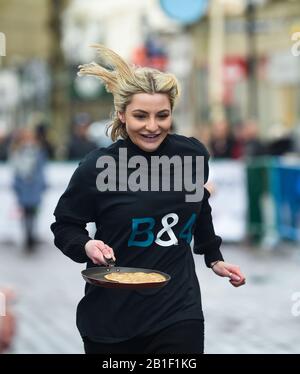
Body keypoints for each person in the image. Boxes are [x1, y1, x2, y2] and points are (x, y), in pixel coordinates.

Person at [51, 44, 246, 354]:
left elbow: (198, 205)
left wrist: (214, 257)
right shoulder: (98, 166)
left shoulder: (192, 155)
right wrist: (86, 245)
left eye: (162, 115)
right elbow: (65, 225)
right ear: (122, 115)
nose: (153, 126)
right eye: (141, 116)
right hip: (111, 320)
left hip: (178, 310)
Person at [10, 128, 47, 252]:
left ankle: (31, 237)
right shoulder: (17, 152)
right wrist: (17, 187)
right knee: (25, 214)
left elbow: (41, 171)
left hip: (34, 189)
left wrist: (41, 186)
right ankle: (27, 237)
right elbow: (15, 173)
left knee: (33, 214)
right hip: (23, 189)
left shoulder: (38, 152)